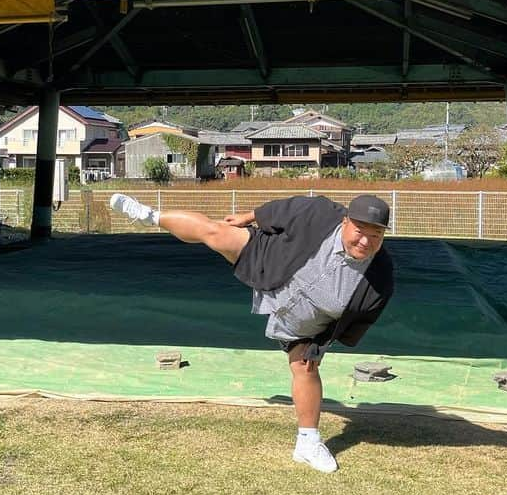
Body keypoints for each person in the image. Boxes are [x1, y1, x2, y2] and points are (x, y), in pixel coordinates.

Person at [109, 191, 394, 473]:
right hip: (271, 262)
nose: (366, 241)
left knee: (306, 370)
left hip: (301, 322)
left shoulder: (380, 278)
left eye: (376, 236)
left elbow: (354, 321)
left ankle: (307, 443)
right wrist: (248, 216)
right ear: (345, 222)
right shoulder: (321, 213)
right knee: (216, 232)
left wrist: (322, 344)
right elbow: (285, 209)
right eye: (359, 231)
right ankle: (150, 216)